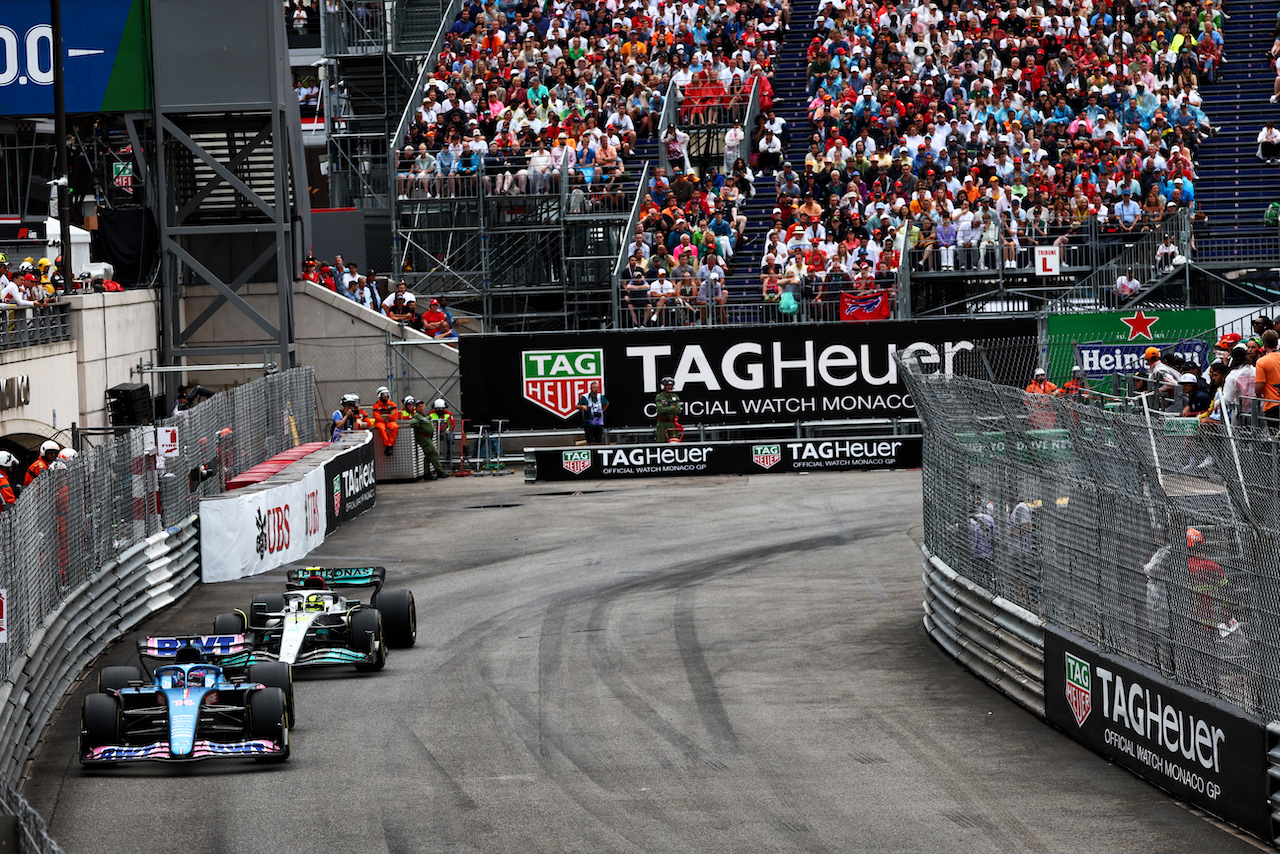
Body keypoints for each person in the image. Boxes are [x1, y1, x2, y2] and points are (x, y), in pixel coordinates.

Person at [409, 398, 449, 480]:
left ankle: (427, 474)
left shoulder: (424, 416)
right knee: (433, 453)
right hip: (424, 439)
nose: (421, 408)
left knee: (427, 457)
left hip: (428, 438)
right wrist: (417, 425)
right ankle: (440, 471)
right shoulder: (417, 416)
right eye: (419, 407)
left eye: (422, 406)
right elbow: (412, 422)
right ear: (416, 408)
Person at [1255, 329, 1280, 432]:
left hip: (1272, 404)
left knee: (1275, 439)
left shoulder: (1262, 361)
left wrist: (1258, 394)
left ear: (1264, 344)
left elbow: (1259, 386)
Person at [370, 387, 401, 455]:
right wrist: (387, 417)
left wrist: (387, 417)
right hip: (380, 422)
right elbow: (377, 417)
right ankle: (387, 445)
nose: (385, 396)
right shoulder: (376, 406)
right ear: (379, 395)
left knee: (394, 427)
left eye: (386, 394)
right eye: (383, 394)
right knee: (381, 428)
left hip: (390, 421)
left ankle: (390, 445)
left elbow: (394, 415)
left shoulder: (392, 404)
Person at [576, 380, 608, 445]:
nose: (596, 389)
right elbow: (577, 406)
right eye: (594, 387)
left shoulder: (600, 397)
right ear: (591, 388)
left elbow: (607, 403)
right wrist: (583, 406)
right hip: (589, 423)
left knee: (598, 441)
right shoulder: (585, 397)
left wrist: (602, 410)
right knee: (590, 441)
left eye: (597, 388)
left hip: (599, 423)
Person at [428, 398, 456, 464]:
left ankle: (449, 454)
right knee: (431, 442)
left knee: (451, 439)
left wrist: (446, 431)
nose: (440, 411)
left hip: (446, 432)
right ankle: (434, 456)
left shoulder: (448, 414)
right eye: (438, 410)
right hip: (435, 433)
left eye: (441, 409)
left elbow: (451, 424)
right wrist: (436, 432)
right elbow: (429, 425)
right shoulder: (431, 414)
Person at [654, 376, 682, 442]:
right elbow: (661, 410)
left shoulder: (675, 396)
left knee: (675, 441)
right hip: (662, 423)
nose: (669, 387)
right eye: (667, 385)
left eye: (670, 385)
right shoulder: (659, 397)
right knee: (660, 441)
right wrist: (672, 407)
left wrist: (667, 409)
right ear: (663, 386)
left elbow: (678, 410)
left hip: (672, 423)